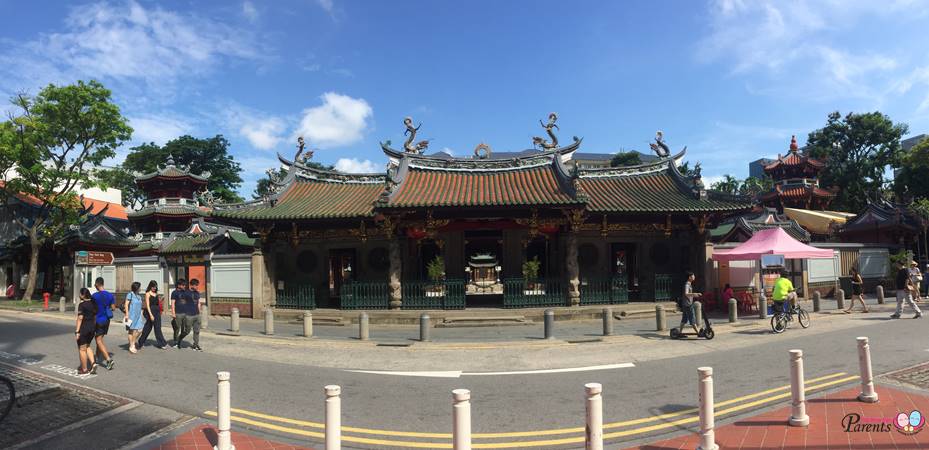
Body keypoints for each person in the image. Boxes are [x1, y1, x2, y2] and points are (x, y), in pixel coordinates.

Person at [90, 277, 116, 370]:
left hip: (98, 320)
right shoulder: (110, 295)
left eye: (94, 285)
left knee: (98, 340)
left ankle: (108, 359)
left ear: (97, 284)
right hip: (106, 320)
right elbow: (113, 308)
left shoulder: (94, 296)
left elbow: (91, 309)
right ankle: (96, 359)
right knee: (99, 339)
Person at [74, 288, 97, 375]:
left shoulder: (82, 305)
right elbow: (95, 317)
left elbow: (80, 318)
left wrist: (77, 331)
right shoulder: (93, 303)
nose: (79, 295)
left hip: (84, 329)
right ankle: (93, 363)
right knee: (87, 346)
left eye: (80, 294)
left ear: (83, 295)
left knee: (82, 349)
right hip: (92, 328)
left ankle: (84, 369)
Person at [138, 280, 167, 349]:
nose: (154, 288)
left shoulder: (156, 293)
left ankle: (161, 343)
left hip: (157, 312)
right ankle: (141, 342)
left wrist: (161, 300)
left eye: (155, 287)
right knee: (147, 328)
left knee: (158, 328)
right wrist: (150, 315)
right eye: (153, 287)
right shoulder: (147, 294)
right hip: (150, 311)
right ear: (150, 286)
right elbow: (147, 305)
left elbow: (157, 303)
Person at [170, 279, 192, 349]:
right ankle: (176, 342)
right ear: (179, 285)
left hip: (186, 313)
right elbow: (173, 303)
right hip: (178, 313)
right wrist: (173, 313)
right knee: (177, 329)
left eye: (185, 285)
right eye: (183, 285)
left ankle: (179, 339)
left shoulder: (186, 292)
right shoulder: (174, 292)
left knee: (186, 329)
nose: (184, 286)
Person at [125, 282, 145, 354]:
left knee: (140, 330)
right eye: (139, 287)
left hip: (138, 316)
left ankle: (133, 343)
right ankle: (131, 345)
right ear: (137, 288)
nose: (140, 288)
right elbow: (126, 304)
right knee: (131, 331)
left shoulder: (139, 296)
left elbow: (140, 307)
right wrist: (127, 314)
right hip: (131, 315)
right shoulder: (130, 294)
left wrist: (142, 314)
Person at [186, 278, 204, 351]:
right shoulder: (186, 293)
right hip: (189, 315)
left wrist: (199, 312)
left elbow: (198, 303)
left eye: (197, 285)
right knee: (186, 331)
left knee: (197, 331)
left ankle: (195, 345)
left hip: (197, 315)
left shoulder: (197, 293)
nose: (197, 287)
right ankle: (179, 339)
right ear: (192, 285)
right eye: (196, 285)